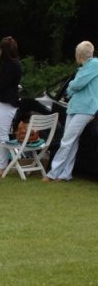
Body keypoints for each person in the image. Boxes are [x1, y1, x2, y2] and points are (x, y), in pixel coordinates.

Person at [45, 41, 98, 182]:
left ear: (79, 55)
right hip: (75, 107)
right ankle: (65, 174)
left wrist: (73, 86)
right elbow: (72, 87)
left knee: (67, 141)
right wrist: (73, 86)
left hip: (86, 108)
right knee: (72, 141)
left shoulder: (94, 65)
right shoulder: (84, 68)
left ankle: (53, 172)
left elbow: (77, 84)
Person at [0, 36, 23, 177]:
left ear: (4, 50)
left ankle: (2, 166)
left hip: (6, 104)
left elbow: (2, 85)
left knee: (2, 135)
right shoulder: (5, 65)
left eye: (0, 49)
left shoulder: (15, 66)